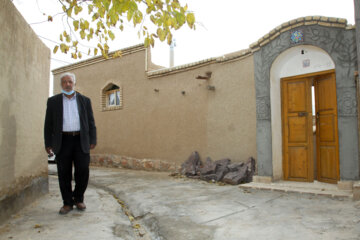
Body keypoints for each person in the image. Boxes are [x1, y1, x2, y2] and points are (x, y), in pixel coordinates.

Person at [44, 72, 97, 215]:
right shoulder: (53, 101)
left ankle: (78, 198)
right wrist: (48, 143)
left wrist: (93, 139)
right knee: (63, 173)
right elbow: (48, 124)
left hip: (81, 140)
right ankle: (67, 202)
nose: (67, 84)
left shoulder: (85, 101)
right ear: (61, 84)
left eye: (70, 82)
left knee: (83, 171)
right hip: (63, 141)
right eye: (64, 82)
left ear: (74, 83)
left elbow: (91, 122)